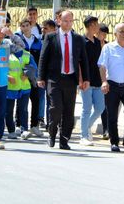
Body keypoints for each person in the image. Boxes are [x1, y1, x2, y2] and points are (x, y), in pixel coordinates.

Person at [37, 11, 90, 150]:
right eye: (65, 21)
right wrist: (40, 78)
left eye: (70, 21)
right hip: (54, 78)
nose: (68, 24)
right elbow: (43, 58)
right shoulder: (51, 37)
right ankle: (52, 133)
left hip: (70, 79)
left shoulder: (78, 39)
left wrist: (85, 79)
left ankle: (64, 139)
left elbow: (83, 60)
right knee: (56, 108)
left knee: (68, 112)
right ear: (59, 21)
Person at [98, 23, 124, 152]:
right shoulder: (108, 48)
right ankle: (114, 141)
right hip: (113, 85)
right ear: (115, 34)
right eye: (121, 31)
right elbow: (102, 66)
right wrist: (104, 82)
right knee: (112, 115)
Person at [79, 16, 105, 146]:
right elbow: (78, 62)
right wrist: (81, 79)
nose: (98, 27)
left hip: (98, 80)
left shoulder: (97, 42)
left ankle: (86, 126)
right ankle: (83, 135)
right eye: (96, 24)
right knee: (86, 108)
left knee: (100, 107)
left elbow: (101, 62)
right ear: (90, 25)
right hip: (85, 81)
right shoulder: (81, 41)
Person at [16, 18, 43, 137]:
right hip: (21, 76)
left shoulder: (38, 42)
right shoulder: (18, 41)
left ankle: (34, 125)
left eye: (28, 25)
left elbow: (42, 60)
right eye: (23, 26)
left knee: (36, 100)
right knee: (21, 101)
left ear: (31, 27)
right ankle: (18, 125)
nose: (26, 27)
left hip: (35, 76)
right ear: (21, 28)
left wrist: (40, 76)